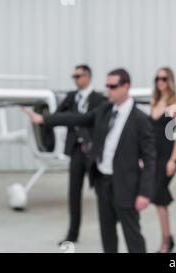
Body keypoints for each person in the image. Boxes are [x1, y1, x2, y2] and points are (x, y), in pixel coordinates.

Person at [23, 68, 155, 253]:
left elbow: (150, 159)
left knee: (132, 234)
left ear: (126, 87)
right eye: (107, 86)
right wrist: (45, 119)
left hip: (126, 184)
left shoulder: (140, 119)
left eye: (113, 86)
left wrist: (145, 193)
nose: (108, 90)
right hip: (103, 182)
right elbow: (77, 118)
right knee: (107, 231)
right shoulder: (104, 110)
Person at [51, 64, 106, 245]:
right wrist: (69, 114)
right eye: (73, 76)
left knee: (102, 192)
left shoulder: (99, 99)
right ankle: (72, 235)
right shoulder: (71, 98)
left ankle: (108, 231)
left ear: (88, 77)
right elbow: (58, 117)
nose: (75, 79)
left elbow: (102, 122)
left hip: (93, 152)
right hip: (76, 151)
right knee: (74, 193)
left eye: (78, 75)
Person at [150, 67, 176, 253]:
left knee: (158, 196)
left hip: (167, 157)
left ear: (170, 80)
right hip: (153, 157)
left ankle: (166, 241)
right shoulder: (154, 102)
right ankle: (167, 238)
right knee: (157, 199)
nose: (160, 82)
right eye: (157, 78)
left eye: (164, 78)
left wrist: (173, 159)